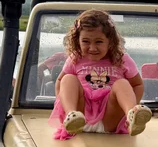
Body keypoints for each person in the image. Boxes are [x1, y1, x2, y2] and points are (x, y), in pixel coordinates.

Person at [49, 9, 152, 139]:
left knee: (122, 83)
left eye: (99, 42)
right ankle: (71, 115)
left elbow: (137, 84)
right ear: (78, 40)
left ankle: (131, 116)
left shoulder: (122, 59)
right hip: (81, 117)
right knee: (67, 78)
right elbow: (60, 82)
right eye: (86, 41)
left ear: (110, 41)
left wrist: (130, 107)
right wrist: (63, 109)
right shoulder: (75, 58)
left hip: (110, 119)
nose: (92, 48)